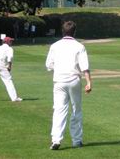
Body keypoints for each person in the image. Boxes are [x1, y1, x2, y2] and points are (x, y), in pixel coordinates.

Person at [46, 21, 92, 150]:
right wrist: (89, 82)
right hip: (73, 80)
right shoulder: (79, 46)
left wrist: (60, 68)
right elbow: (85, 67)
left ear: (63, 31)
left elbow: (49, 65)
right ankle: (77, 140)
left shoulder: (55, 46)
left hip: (59, 81)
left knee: (59, 110)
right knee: (76, 110)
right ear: (74, 32)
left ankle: (56, 140)